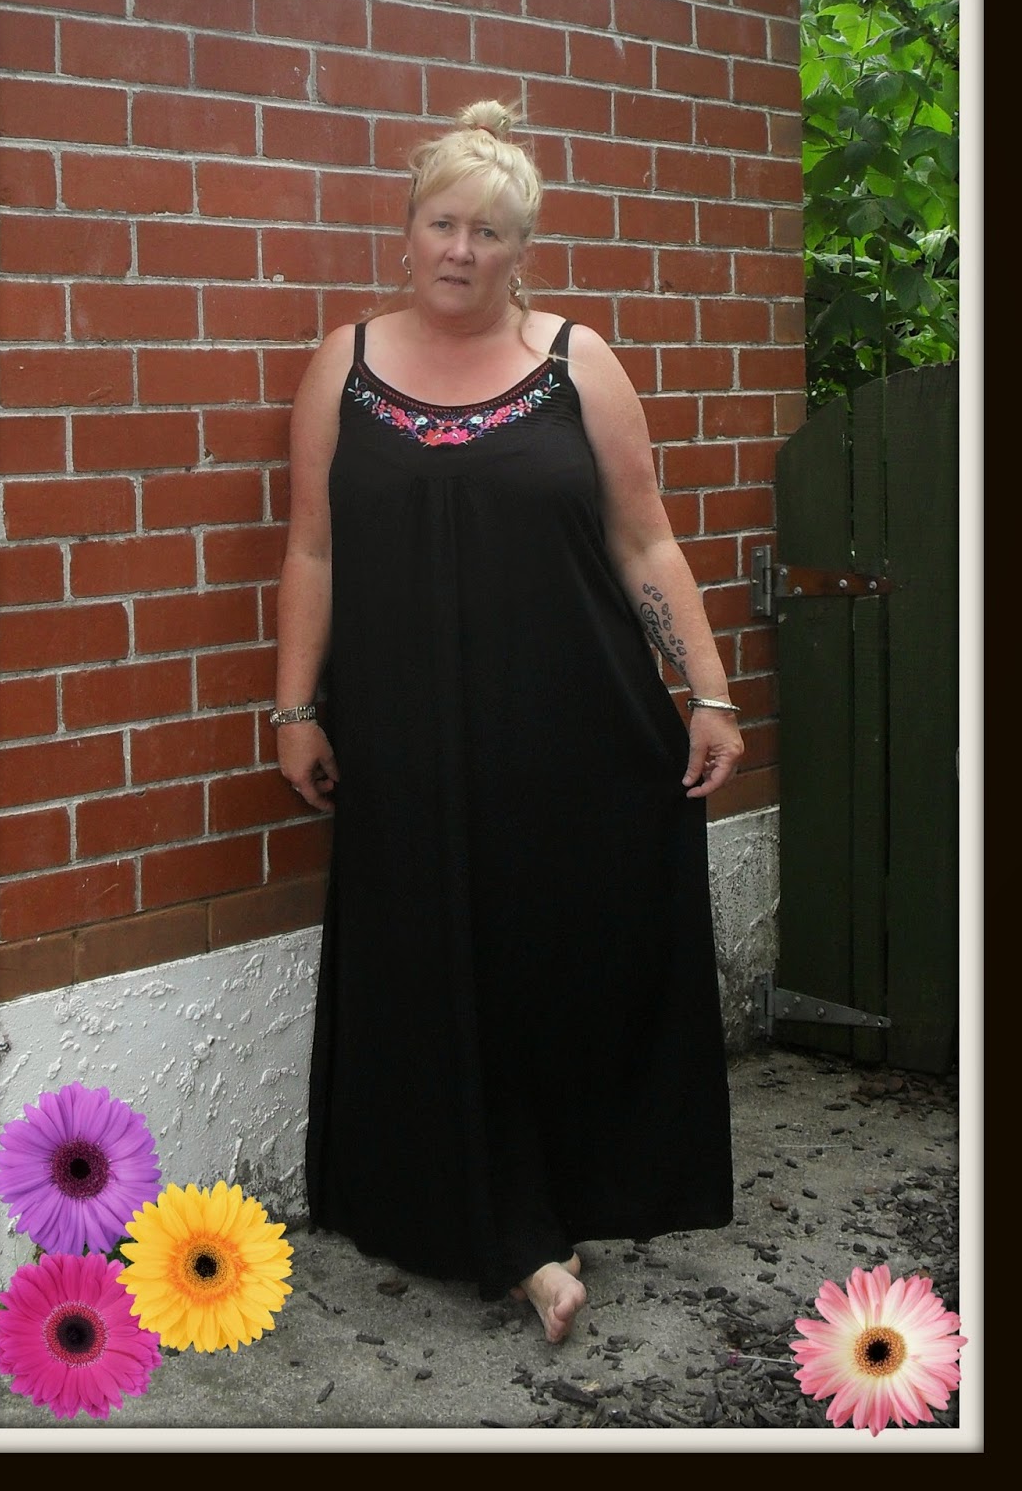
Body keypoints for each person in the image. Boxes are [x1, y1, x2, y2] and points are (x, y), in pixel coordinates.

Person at [274, 100, 743, 1346]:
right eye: (443, 224)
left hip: (572, 728)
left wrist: (707, 690)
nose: (461, 250)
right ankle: (488, 1216)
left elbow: (644, 539)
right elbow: (313, 549)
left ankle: (544, 1214)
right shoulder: (343, 363)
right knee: (429, 958)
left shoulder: (578, 362)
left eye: (488, 232)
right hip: (408, 737)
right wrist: (295, 706)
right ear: (407, 230)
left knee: (555, 954)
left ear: (521, 249)